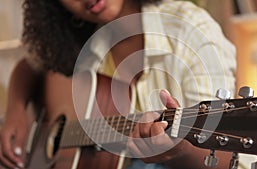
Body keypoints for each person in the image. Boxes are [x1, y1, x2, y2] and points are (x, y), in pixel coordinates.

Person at [0, 0, 239, 169]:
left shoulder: (191, 28)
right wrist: (15, 111)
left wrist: (177, 151)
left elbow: (228, 159)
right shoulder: (77, 43)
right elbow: (30, 65)